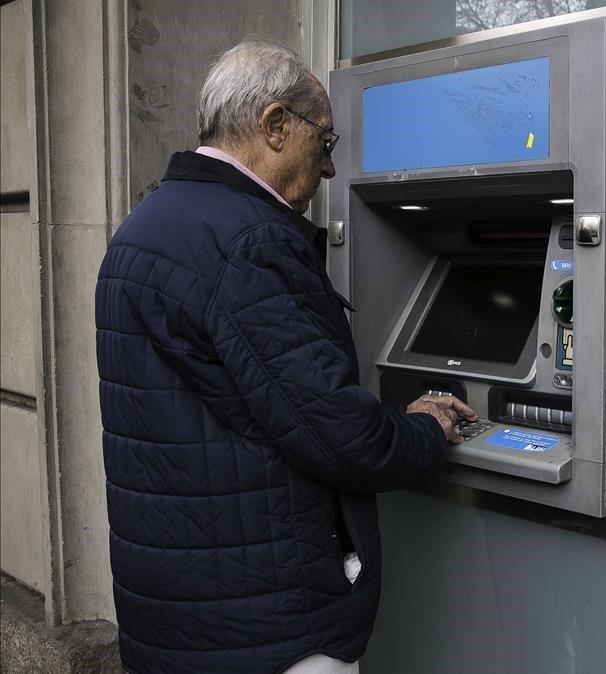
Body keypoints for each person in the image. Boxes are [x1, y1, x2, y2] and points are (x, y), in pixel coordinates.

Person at [95, 38, 476, 674]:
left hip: (175, 617)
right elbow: (339, 434)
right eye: (324, 143)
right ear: (275, 125)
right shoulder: (250, 242)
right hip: (270, 630)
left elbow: (236, 406)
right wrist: (427, 429)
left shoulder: (143, 228)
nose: (330, 170)